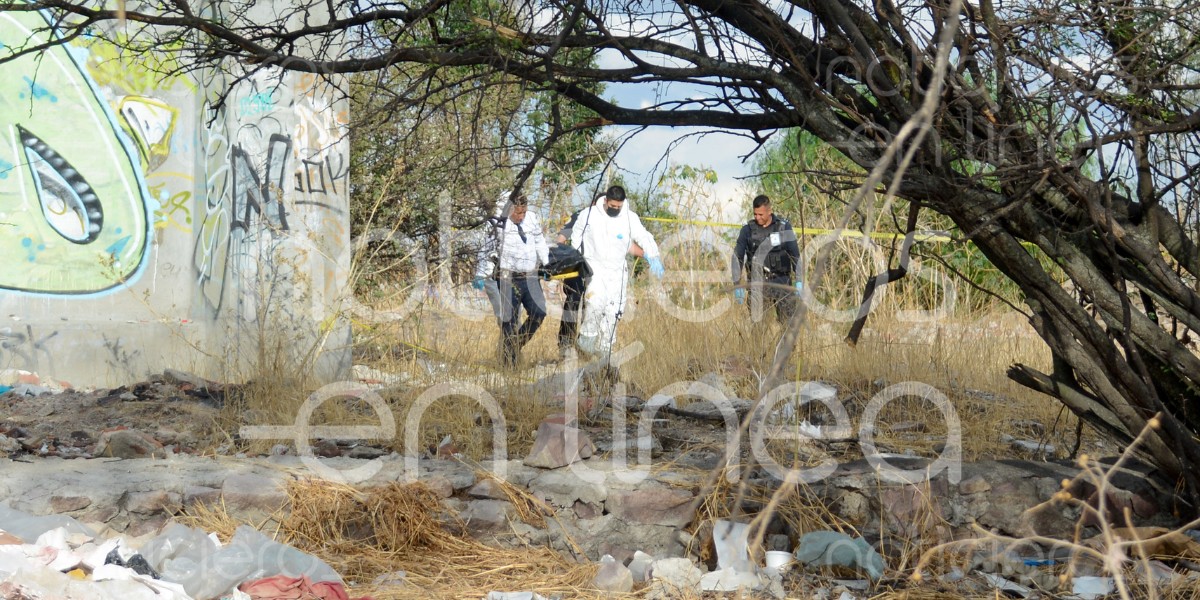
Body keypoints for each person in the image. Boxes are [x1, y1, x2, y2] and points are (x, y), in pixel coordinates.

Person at [570, 185, 663, 357]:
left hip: (618, 271)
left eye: (618, 207)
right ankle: (587, 340)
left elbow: (643, 235)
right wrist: (576, 259)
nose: (615, 209)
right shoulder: (589, 214)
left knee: (614, 311)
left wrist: (653, 255)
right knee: (595, 302)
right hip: (594, 267)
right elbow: (576, 236)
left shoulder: (629, 217)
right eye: (612, 206)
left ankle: (606, 351)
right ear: (606, 201)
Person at [554, 196, 643, 357]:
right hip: (577, 267)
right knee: (573, 301)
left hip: (600, 270)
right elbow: (561, 239)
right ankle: (565, 343)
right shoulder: (582, 215)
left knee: (594, 305)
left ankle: (585, 346)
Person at [473, 194, 550, 366]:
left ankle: (515, 345)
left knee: (539, 312)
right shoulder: (497, 223)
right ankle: (509, 364)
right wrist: (481, 273)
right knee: (510, 321)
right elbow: (486, 250)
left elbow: (540, 242)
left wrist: (547, 264)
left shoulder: (532, 219)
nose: (521, 217)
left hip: (530, 276)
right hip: (507, 278)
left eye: (524, 212)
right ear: (509, 209)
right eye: (518, 213)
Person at [731, 194, 802, 323]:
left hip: (782, 282)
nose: (757, 218)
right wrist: (737, 283)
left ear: (769, 211)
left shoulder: (784, 227)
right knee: (759, 327)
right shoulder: (747, 230)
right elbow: (737, 256)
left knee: (789, 325)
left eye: (761, 214)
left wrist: (799, 280)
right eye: (755, 214)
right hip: (757, 283)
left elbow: (795, 254)